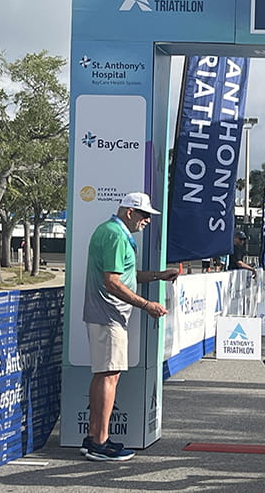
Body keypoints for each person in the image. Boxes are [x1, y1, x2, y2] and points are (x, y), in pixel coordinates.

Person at [81, 192, 179, 461]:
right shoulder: (114, 234)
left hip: (109, 315)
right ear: (129, 212)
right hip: (108, 315)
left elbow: (126, 276)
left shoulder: (114, 232)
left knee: (106, 374)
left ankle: (96, 437)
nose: (147, 220)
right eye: (145, 215)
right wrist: (147, 305)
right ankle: (98, 442)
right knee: (108, 375)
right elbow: (112, 282)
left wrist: (159, 275)